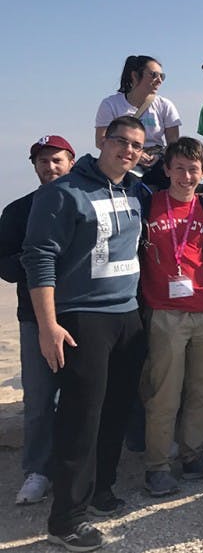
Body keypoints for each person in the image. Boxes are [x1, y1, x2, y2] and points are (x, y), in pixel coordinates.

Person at [21, 117, 148, 550]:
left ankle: (101, 491)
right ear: (102, 142)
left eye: (136, 145)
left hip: (128, 316)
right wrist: (47, 325)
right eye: (120, 142)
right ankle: (65, 521)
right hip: (81, 320)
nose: (128, 151)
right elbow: (38, 259)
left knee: (115, 411)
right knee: (80, 420)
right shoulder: (62, 193)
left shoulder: (135, 190)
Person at [138, 138, 203, 497]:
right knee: (164, 394)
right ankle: (157, 466)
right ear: (167, 169)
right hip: (164, 312)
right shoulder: (149, 204)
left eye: (194, 169)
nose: (186, 176)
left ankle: (193, 455)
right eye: (179, 168)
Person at [1, 135, 75, 506]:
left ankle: (83, 464)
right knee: (40, 397)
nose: (50, 167)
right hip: (35, 318)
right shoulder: (17, 211)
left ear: (71, 162)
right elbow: (5, 265)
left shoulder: (85, 203)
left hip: (84, 313)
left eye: (57, 160)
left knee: (90, 392)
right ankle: (37, 470)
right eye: (43, 161)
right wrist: (40, 263)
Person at [95, 55, 181, 189]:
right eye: (153, 75)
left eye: (162, 76)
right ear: (135, 76)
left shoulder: (165, 105)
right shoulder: (111, 104)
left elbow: (173, 142)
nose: (159, 80)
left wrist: (160, 156)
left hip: (156, 160)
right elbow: (101, 140)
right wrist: (135, 154)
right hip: (123, 158)